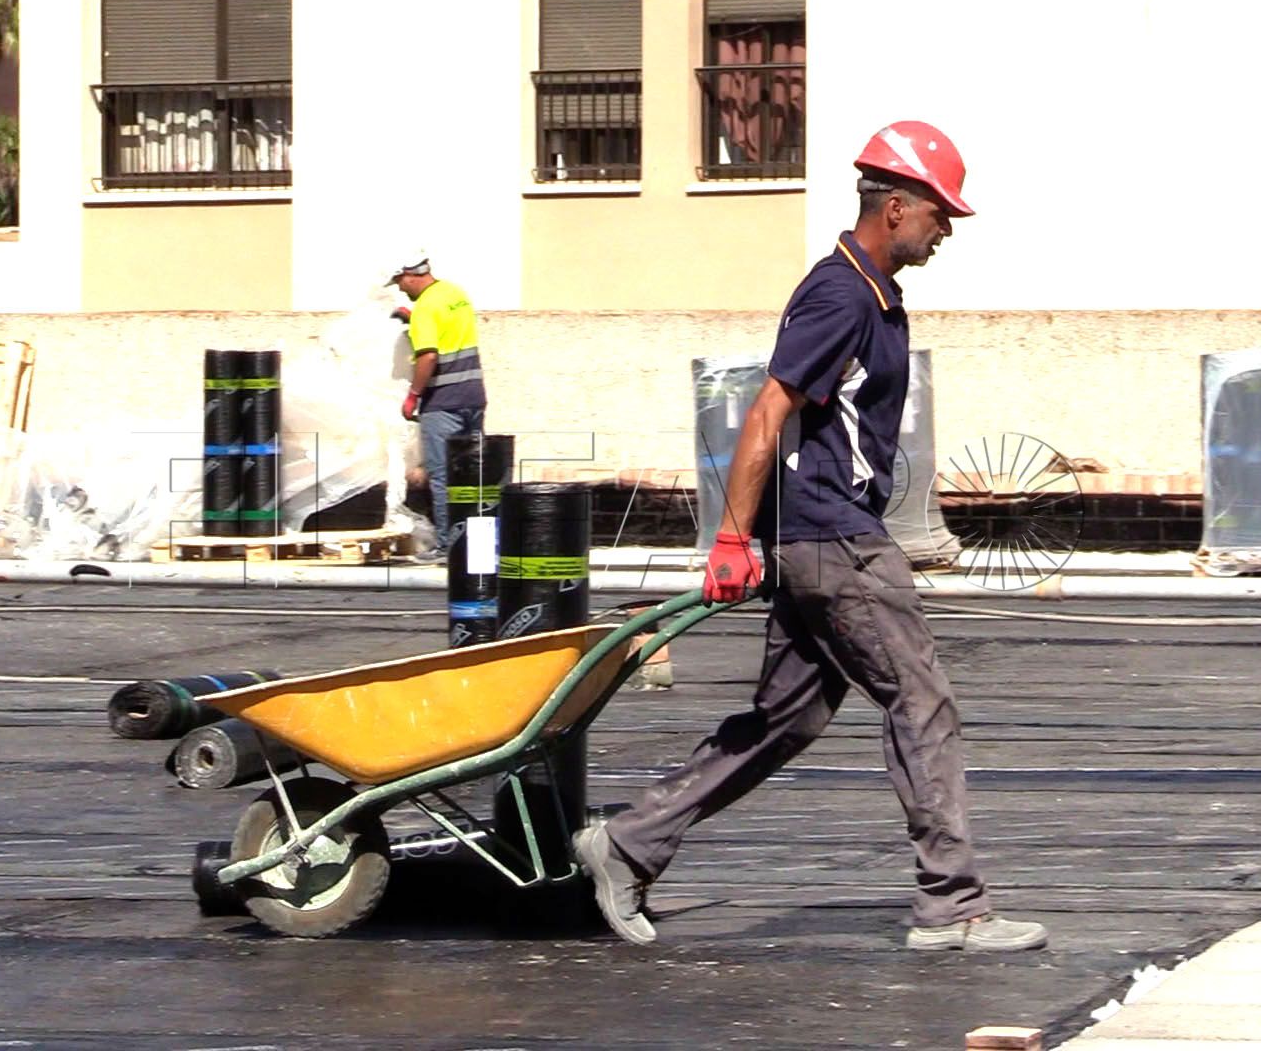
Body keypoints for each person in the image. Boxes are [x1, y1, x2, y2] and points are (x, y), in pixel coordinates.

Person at [572, 121, 1048, 953]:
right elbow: (768, 410)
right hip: (835, 540)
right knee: (922, 700)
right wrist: (731, 539)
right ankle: (954, 907)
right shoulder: (841, 296)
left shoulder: (870, 293)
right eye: (941, 216)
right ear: (895, 208)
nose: (947, 233)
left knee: (785, 721)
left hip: (814, 537)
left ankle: (626, 844)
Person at [389, 249, 486, 564]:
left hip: (442, 402)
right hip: (472, 397)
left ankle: (447, 546)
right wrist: (412, 319)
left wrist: (413, 395)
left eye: (400, 281)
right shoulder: (454, 294)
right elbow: (448, 333)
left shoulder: (427, 307)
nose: (400, 288)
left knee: (443, 476)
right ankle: (478, 548)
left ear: (411, 274)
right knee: (473, 478)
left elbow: (429, 354)